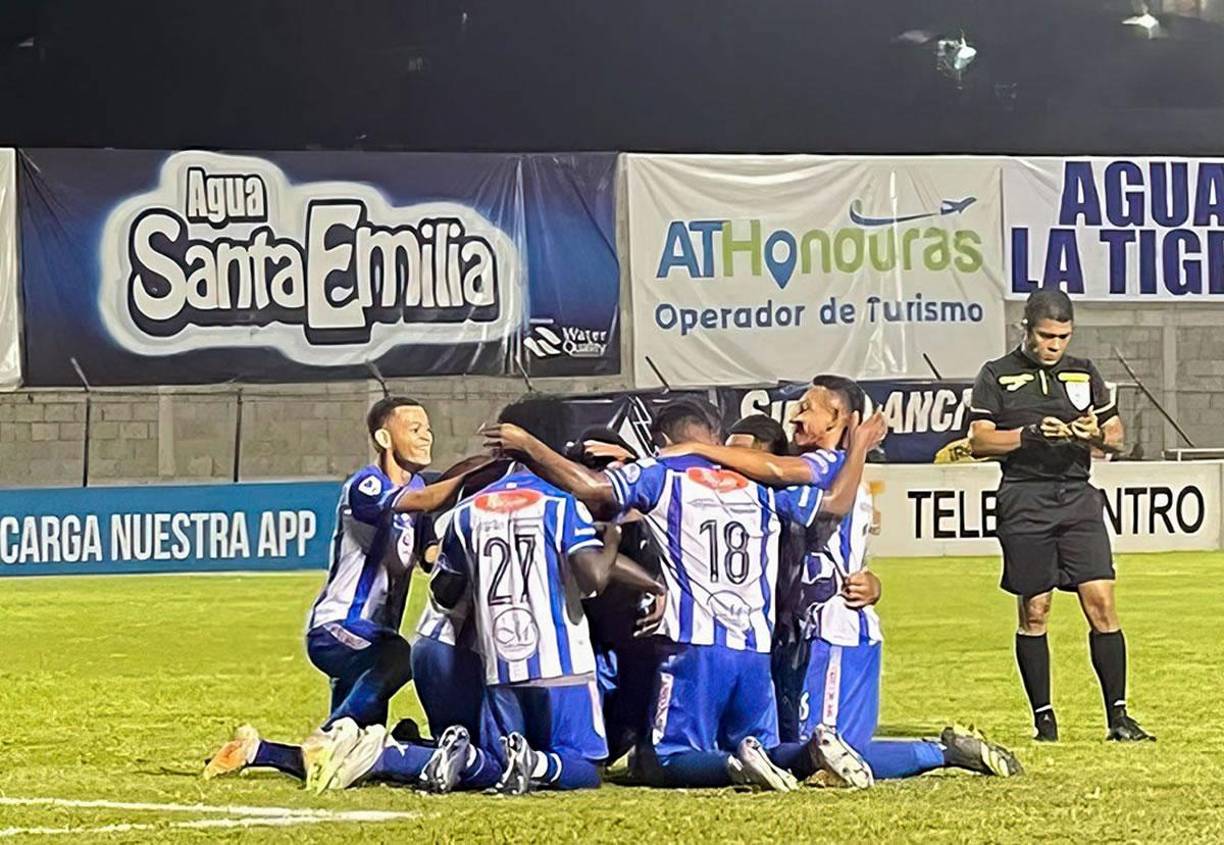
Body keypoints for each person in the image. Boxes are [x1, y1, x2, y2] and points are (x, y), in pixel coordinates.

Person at [484, 398, 878, 792]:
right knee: (763, 744)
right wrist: (857, 449)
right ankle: (808, 754)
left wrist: (529, 446)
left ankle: (734, 767)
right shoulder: (758, 481)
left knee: (665, 759)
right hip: (754, 652)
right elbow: (831, 505)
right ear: (715, 437)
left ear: (663, 440)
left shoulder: (662, 472)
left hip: (693, 649)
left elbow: (590, 487)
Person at [312, 400, 667, 795]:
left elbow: (444, 587)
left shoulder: (468, 507)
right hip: (550, 662)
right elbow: (594, 575)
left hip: (462, 654)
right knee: (583, 766)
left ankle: (400, 754)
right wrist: (617, 538)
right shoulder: (564, 502)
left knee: (491, 755)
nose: (426, 435)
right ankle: (355, 737)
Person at [683, 378, 1022, 782]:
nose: (796, 415)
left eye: (808, 408)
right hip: (822, 628)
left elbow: (775, 468)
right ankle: (946, 751)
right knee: (822, 752)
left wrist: (698, 449)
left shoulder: (826, 467)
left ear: (839, 419)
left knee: (823, 753)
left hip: (832, 629)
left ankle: (941, 752)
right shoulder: (837, 470)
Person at [203, 398, 487, 784]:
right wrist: (482, 469)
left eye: (427, 427)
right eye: (414, 428)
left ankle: (255, 750)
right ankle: (324, 739)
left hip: (372, 643)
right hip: (338, 628)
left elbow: (427, 553)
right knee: (398, 659)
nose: (426, 435)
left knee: (355, 755)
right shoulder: (367, 485)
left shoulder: (419, 491)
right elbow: (426, 500)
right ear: (385, 437)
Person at [968, 289, 1153, 743]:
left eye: (1062, 337)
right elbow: (979, 442)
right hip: (1024, 499)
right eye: (1046, 336)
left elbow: (1115, 435)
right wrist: (1028, 434)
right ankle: (1045, 721)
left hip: (1077, 496)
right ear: (1026, 330)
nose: (1054, 345)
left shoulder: (1084, 372)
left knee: (1102, 603)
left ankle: (1119, 718)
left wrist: (1098, 435)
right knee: (1036, 609)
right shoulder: (996, 375)